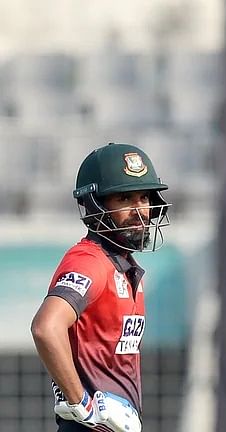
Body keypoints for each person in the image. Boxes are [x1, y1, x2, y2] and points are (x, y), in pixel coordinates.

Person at [31, 143, 172, 432]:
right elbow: (46, 328)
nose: (139, 210)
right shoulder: (89, 261)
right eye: (124, 198)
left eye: (143, 197)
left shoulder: (126, 268)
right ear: (97, 205)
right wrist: (80, 402)